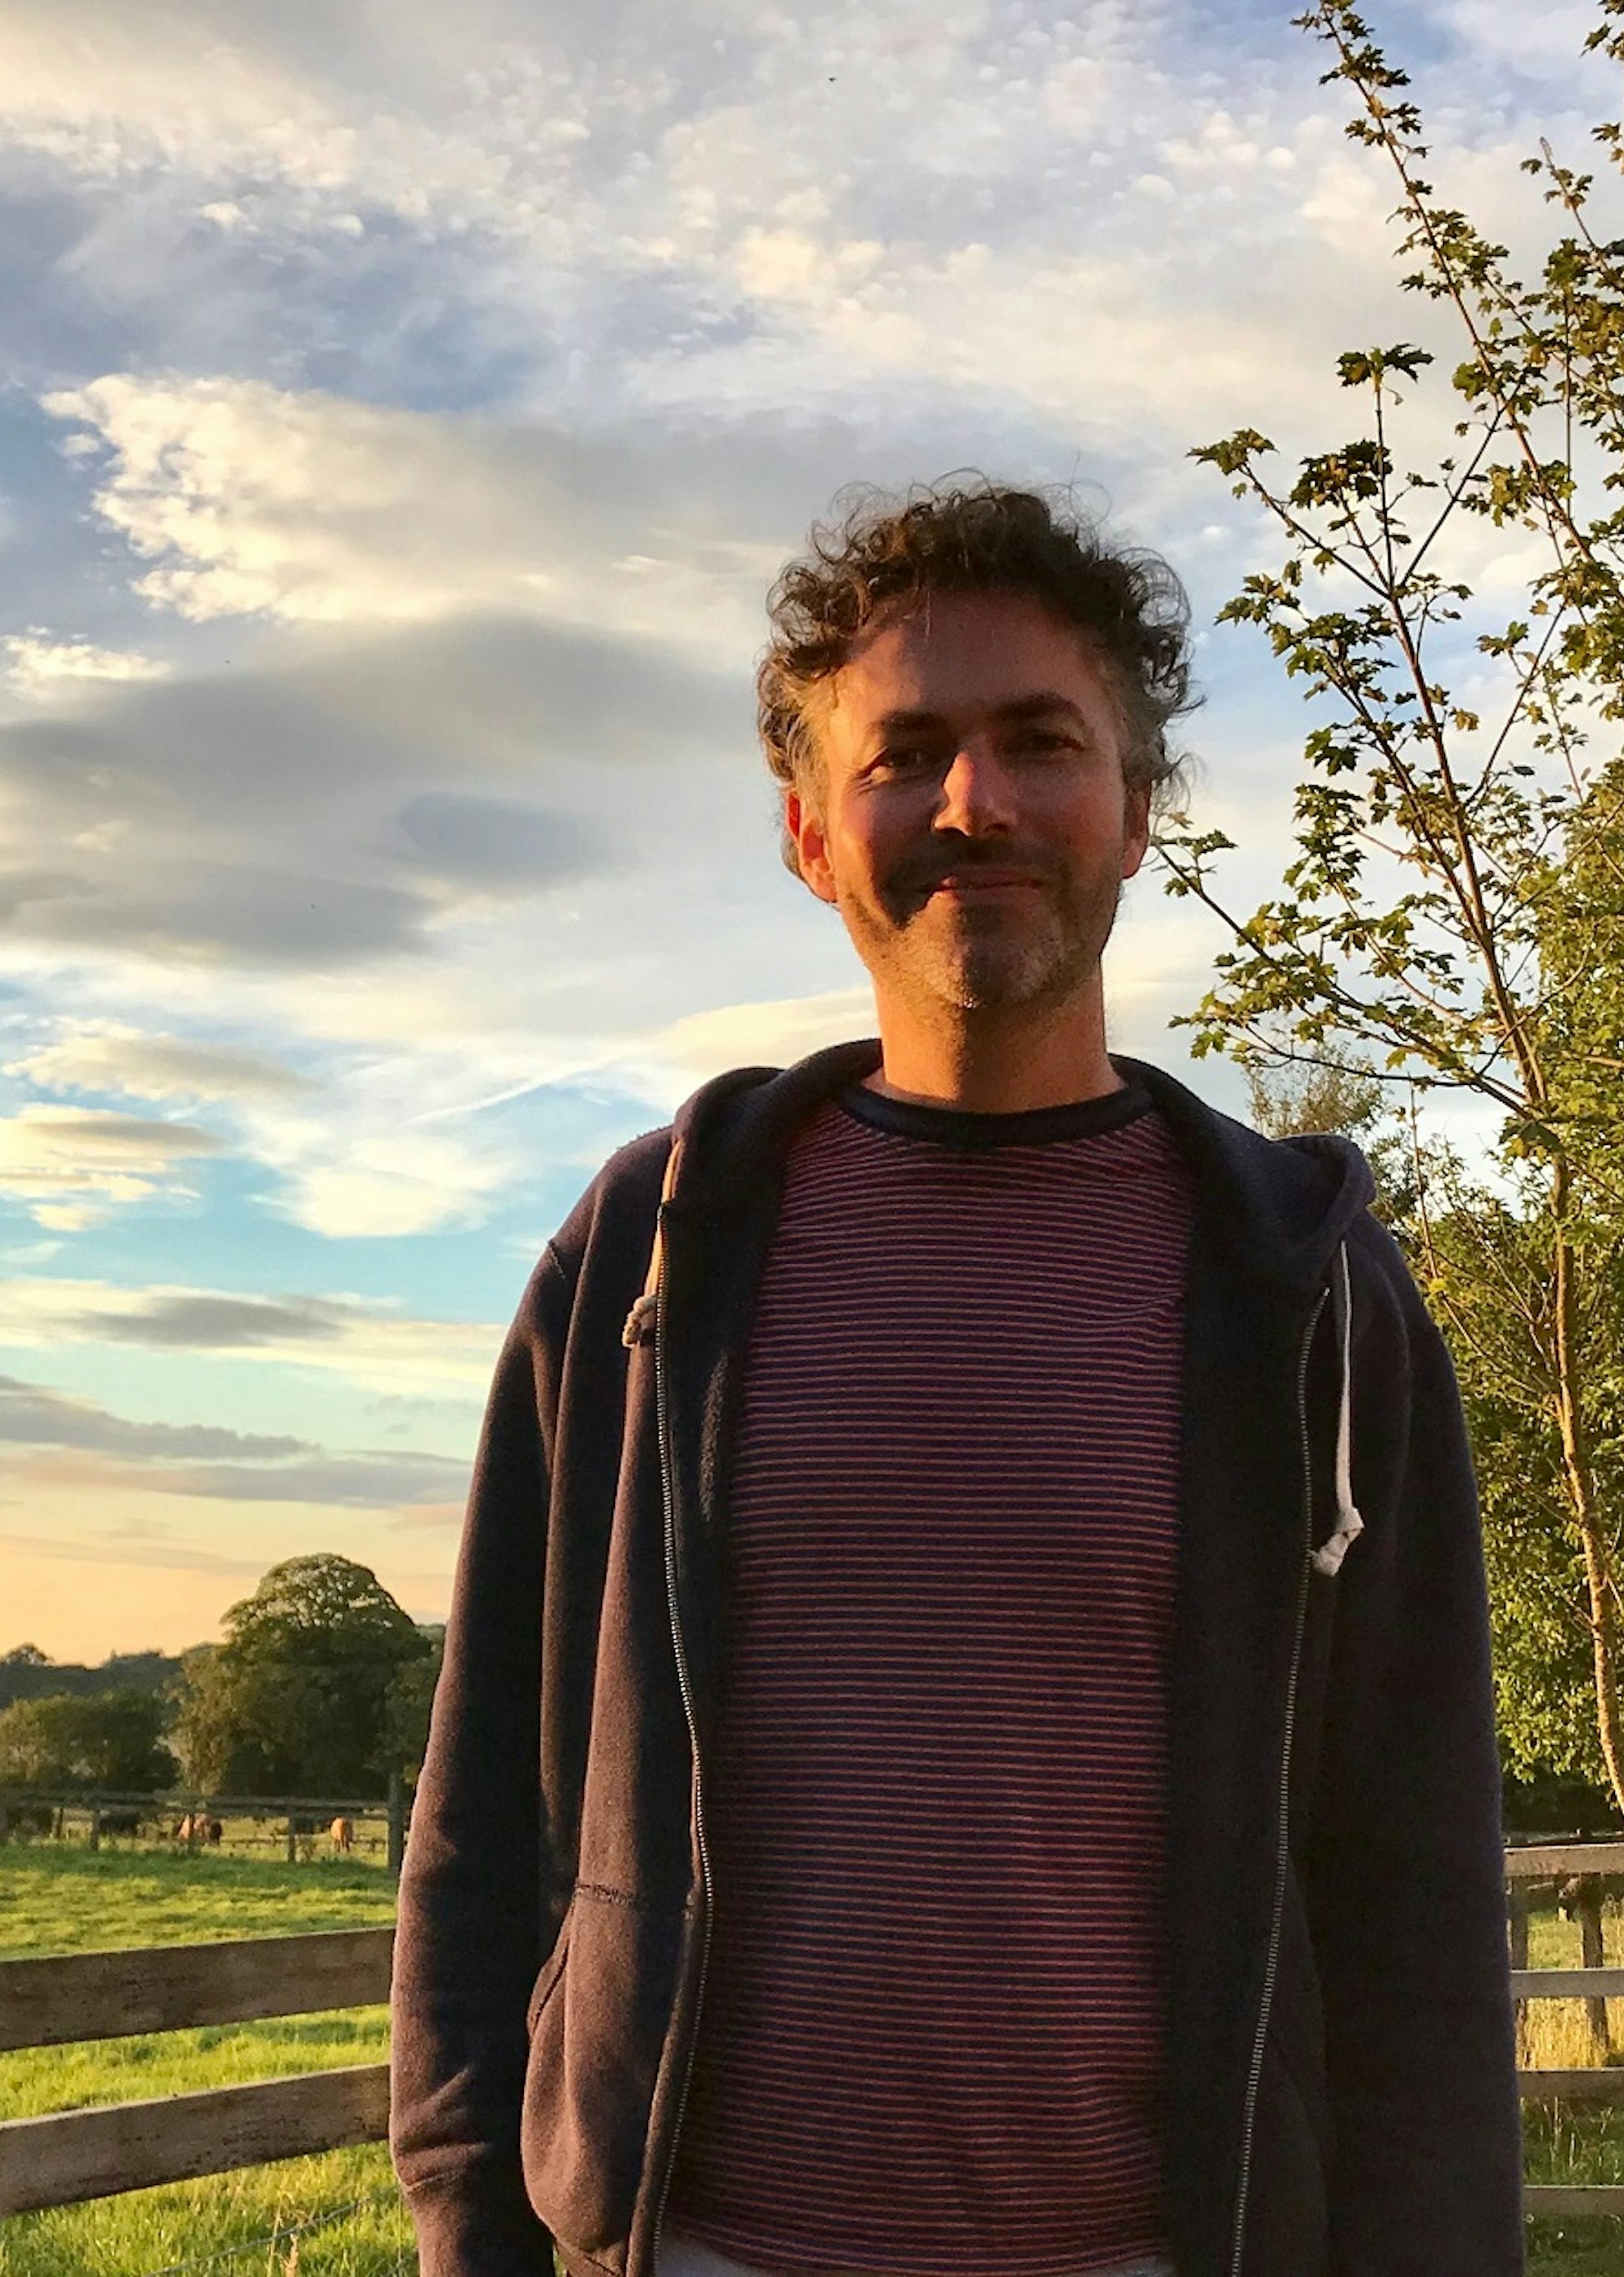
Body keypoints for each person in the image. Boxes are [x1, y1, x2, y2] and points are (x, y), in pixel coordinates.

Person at [389, 483, 1521, 2277]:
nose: (973, 804)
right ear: (809, 833)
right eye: (904, 754)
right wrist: (471, 2221)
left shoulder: (1310, 1300)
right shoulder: (645, 1258)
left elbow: (1416, 1898)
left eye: (1038, 743)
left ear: (1137, 812)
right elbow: (482, 1834)